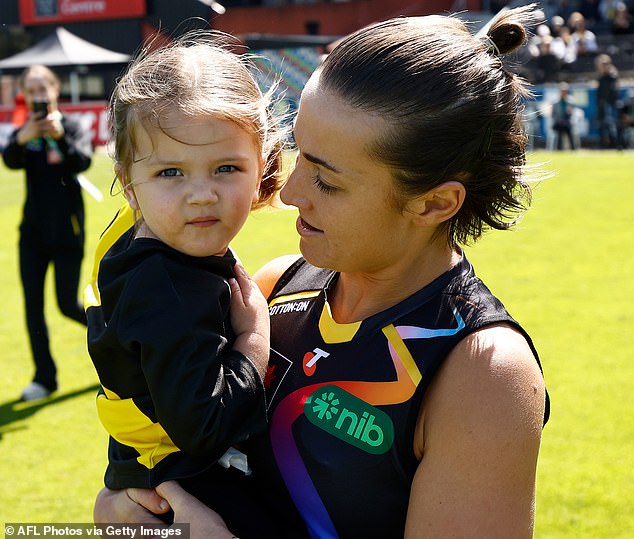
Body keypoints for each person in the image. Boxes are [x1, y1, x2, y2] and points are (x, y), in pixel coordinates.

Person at [95, 6, 550, 538]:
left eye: (327, 181)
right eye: (298, 156)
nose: (288, 193)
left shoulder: (483, 372)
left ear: (433, 204)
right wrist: (119, 514)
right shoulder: (268, 290)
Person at [85, 34, 288, 536]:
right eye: (171, 172)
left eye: (226, 168)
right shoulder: (165, 286)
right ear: (128, 182)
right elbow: (204, 429)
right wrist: (254, 340)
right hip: (186, 490)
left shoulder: (150, 242)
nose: (202, 195)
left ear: (261, 167)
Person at [2, 65, 92, 401]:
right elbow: (9, 159)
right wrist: (23, 137)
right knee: (32, 306)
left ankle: (121, 343)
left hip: (68, 231)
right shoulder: (24, 131)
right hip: (33, 233)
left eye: (44, 88)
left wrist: (58, 137)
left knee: (68, 305)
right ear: (25, 93)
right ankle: (44, 377)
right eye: (32, 89)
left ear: (55, 90)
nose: (39, 95)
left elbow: (81, 161)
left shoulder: (69, 126)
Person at [595, 53, 620, 148]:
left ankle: (615, 145)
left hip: (609, 104)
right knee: (601, 125)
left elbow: (613, 92)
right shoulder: (601, 77)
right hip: (602, 104)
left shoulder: (612, 76)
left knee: (611, 125)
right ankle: (603, 145)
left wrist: (606, 102)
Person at [551, 82, 578, 150]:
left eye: (565, 91)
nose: (563, 93)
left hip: (568, 122)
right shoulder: (555, 103)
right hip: (559, 123)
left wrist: (570, 114)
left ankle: (573, 149)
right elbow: (553, 114)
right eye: (562, 91)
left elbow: (574, 113)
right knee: (559, 132)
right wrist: (558, 120)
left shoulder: (571, 102)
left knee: (570, 131)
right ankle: (558, 149)